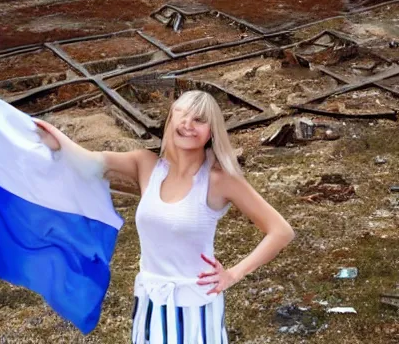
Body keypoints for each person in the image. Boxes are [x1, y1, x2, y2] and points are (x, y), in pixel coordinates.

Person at [34, 90, 295, 343]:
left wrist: (234, 274)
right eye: (181, 116)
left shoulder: (220, 180)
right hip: (150, 300)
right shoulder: (145, 164)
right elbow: (90, 161)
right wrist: (56, 140)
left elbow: (281, 231)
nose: (187, 125)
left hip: (196, 307)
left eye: (199, 120)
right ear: (170, 120)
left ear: (212, 131)